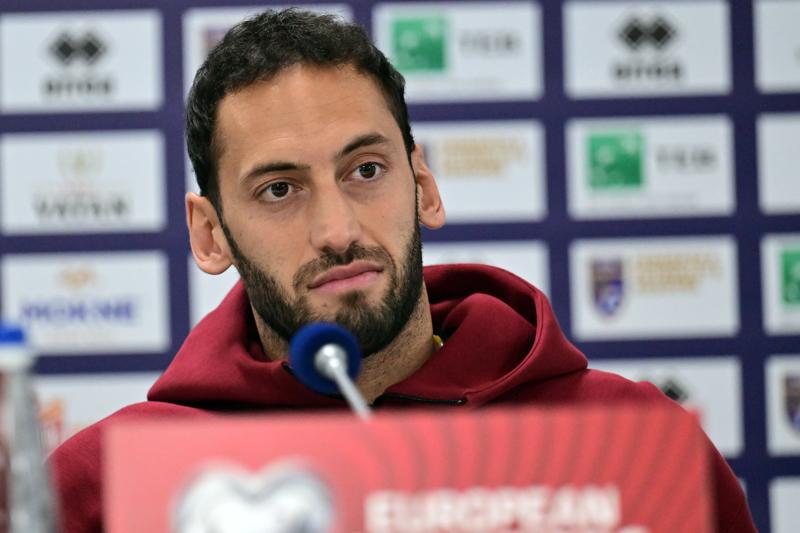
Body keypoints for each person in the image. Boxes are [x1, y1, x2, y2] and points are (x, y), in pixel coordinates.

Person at [50, 8, 757, 532]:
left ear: (423, 186)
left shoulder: (626, 441)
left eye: (365, 170)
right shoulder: (102, 485)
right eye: (280, 189)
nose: (337, 231)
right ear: (211, 235)